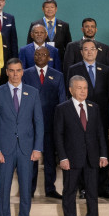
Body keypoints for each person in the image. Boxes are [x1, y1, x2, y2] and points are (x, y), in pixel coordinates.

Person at [0, 58, 44, 216]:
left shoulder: (33, 92)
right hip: (4, 149)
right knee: (4, 187)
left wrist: (38, 148)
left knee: (26, 188)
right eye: (11, 70)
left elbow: (39, 123)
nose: (15, 74)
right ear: (7, 72)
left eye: (18, 70)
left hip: (27, 149)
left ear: (22, 72)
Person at [54, 75, 109, 216]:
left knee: (92, 192)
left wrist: (103, 154)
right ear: (71, 90)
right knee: (69, 192)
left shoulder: (94, 107)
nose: (83, 91)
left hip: (92, 158)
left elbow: (100, 133)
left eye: (85, 88)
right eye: (79, 88)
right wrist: (62, 157)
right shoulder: (62, 108)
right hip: (71, 159)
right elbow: (58, 135)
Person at [67, 39, 109, 199]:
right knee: (83, 151)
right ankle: (84, 188)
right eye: (86, 49)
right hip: (81, 115)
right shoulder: (74, 69)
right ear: (81, 52)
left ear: (97, 51)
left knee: (103, 152)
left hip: (101, 117)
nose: (89, 52)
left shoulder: (106, 69)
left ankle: (104, 188)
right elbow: (70, 95)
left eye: (92, 49)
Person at [21, 47, 66, 199]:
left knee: (49, 158)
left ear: (49, 58)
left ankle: (50, 188)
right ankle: (29, 188)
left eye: (43, 54)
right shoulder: (25, 74)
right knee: (30, 157)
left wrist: (61, 123)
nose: (40, 56)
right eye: (37, 54)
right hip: (30, 123)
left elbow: (62, 101)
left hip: (50, 122)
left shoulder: (58, 75)